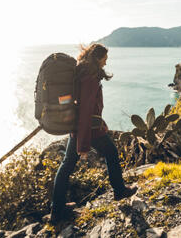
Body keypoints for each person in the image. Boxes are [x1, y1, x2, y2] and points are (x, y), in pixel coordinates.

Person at [50, 44, 137, 224]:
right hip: (90, 128)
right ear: (97, 58)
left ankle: (57, 210)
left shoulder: (82, 72)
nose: (106, 61)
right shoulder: (90, 78)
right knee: (112, 153)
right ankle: (119, 191)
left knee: (66, 166)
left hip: (80, 126)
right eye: (105, 58)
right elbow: (86, 111)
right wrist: (83, 144)